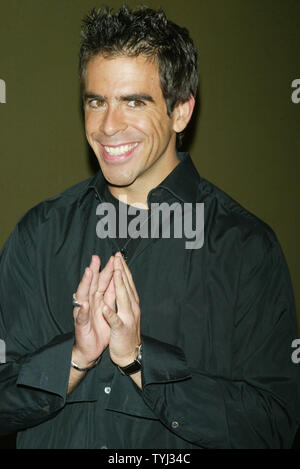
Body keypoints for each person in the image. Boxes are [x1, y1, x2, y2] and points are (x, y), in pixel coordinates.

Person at [0, 5, 299, 449]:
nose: (107, 126)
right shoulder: (38, 234)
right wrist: (75, 359)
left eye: (134, 102)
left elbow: (273, 424)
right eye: (96, 101)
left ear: (181, 112)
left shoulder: (246, 248)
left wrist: (140, 362)